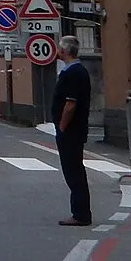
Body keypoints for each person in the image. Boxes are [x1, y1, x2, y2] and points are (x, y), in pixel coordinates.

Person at [51, 35, 93, 227]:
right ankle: (80, 212)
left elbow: (70, 104)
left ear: (64, 51)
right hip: (72, 128)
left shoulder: (74, 73)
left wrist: (62, 125)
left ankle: (81, 213)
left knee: (73, 171)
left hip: (71, 129)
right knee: (74, 170)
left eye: (59, 49)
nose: (57, 52)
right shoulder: (72, 71)